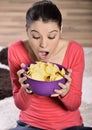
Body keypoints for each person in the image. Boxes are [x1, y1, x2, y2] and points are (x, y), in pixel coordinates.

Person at [8, 0, 92, 130]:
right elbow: (21, 105)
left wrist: (66, 92)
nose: (43, 45)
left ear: (60, 30)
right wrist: (26, 90)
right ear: (27, 30)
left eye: (52, 36)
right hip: (31, 125)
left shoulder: (75, 50)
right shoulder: (16, 50)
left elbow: (74, 105)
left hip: (69, 126)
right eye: (36, 36)